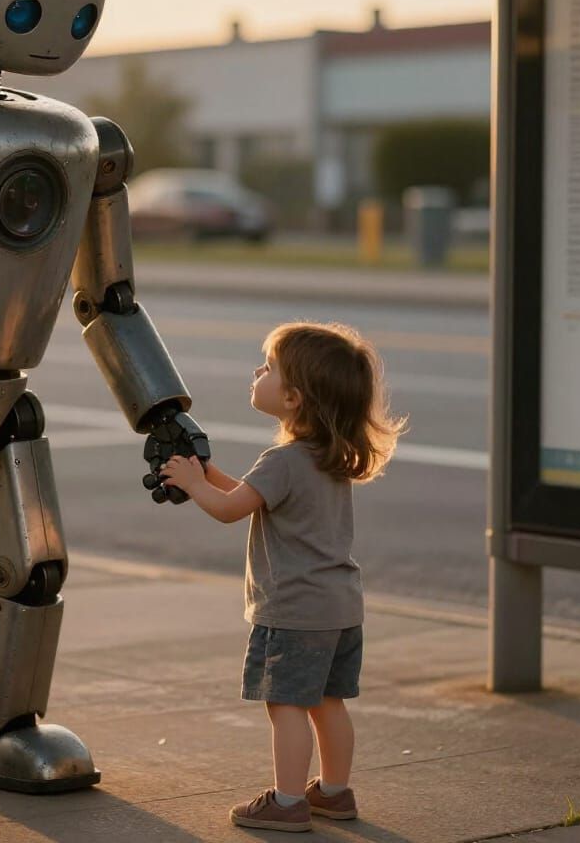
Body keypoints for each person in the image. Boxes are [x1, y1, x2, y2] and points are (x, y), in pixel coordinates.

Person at [160, 321, 405, 833]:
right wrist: (206, 474)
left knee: (287, 704)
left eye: (268, 368)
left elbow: (230, 510)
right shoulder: (328, 456)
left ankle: (289, 800)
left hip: (293, 611)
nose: (258, 372)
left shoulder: (284, 460)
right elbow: (250, 497)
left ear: (292, 397)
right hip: (338, 607)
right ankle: (334, 792)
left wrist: (189, 482)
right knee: (327, 701)